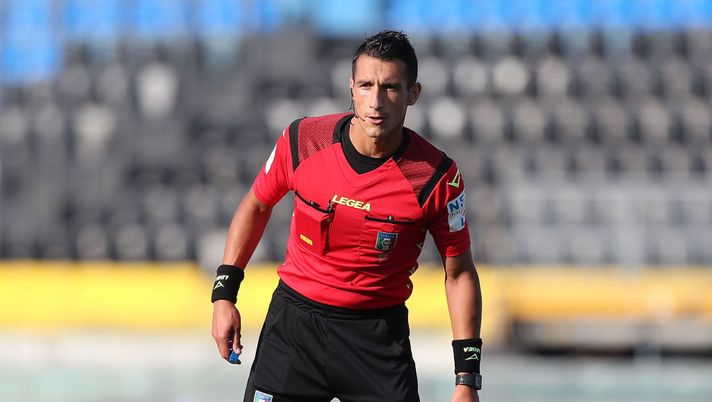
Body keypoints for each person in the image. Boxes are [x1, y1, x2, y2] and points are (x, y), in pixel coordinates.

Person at [211, 30, 483, 402]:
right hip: (294, 330)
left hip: (377, 341)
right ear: (351, 88)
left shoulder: (437, 177)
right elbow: (256, 205)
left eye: (390, 87)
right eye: (366, 85)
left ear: (412, 94)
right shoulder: (302, 140)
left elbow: (460, 273)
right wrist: (224, 295)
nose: (376, 101)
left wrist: (466, 379)